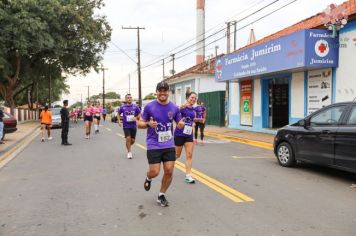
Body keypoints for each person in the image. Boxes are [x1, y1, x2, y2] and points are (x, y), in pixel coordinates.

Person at [138, 81, 185, 207]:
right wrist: (148, 124)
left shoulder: (174, 108)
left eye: (165, 91)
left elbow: (180, 122)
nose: (163, 93)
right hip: (153, 144)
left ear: (168, 92)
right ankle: (148, 177)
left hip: (169, 144)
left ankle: (161, 195)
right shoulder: (149, 107)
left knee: (169, 171)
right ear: (157, 92)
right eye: (160, 90)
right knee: (155, 172)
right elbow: (140, 123)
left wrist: (181, 124)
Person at [174, 92, 198, 184]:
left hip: (188, 134)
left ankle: (188, 175)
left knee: (189, 154)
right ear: (188, 98)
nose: (193, 99)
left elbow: (192, 120)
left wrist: (194, 123)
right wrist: (181, 107)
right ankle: (169, 165)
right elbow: (176, 115)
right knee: (177, 155)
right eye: (192, 97)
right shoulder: (182, 108)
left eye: (195, 98)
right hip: (179, 134)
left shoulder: (194, 110)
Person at [118, 94, 141, 159]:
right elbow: (118, 113)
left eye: (130, 97)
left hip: (133, 125)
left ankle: (128, 145)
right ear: (126, 99)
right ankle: (129, 152)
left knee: (132, 140)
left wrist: (136, 117)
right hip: (126, 126)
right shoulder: (123, 107)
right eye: (128, 98)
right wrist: (119, 120)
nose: (129, 98)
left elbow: (139, 114)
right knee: (128, 138)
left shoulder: (135, 107)